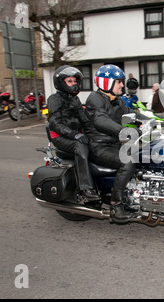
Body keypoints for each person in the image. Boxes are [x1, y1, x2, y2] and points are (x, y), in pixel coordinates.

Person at [83, 64, 138, 224]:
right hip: (99, 146)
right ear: (106, 82)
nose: (123, 84)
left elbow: (132, 114)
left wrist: (158, 119)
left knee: (145, 153)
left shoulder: (117, 101)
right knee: (128, 161)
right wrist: (123, 131)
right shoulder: (95, 99)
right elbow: (101, 120)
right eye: (119, 81)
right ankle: (116, 205)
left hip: (114, 143)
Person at [47, 65, 100, 202]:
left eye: (74, 81)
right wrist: (74, 135)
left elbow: (84, 119)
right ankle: (86, 187)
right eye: (69, 81)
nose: (73, 84)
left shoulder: (74, 100)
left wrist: (98, 131)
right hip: (61, 138)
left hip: (75, 136)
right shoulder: (54, 99)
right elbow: (55, 123)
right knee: (80, 147)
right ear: (61, 82)